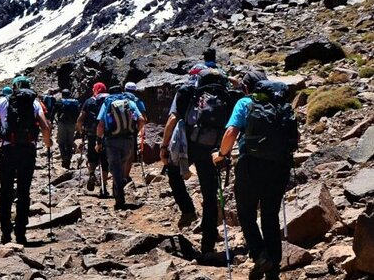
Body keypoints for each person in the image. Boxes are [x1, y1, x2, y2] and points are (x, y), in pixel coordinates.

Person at [213, 70, 297, 280]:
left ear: (246, 88)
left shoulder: (245, 103)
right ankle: (273, 266)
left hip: (250, 165)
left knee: (246, 213)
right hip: (279, 166)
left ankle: (260, 255)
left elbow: (231, 132)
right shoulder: (281, 104)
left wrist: (221, 155)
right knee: (270, 214)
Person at [159, 66, 232, 257]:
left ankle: (188, 209)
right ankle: (208, 244)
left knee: (173, 171)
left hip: (190, 145)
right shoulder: (225, 94)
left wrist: (164, 146)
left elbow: (173, 119)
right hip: (214, 149)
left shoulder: (188, 92)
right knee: (210, 195)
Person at [0, 76, 52, 245]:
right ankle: (21, 233)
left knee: (5, 191)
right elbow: (44, 126)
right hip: (28, 150)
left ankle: (5, 232)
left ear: (14, 87)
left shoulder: (4, 101)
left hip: (8, 150)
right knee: (24, 191)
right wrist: (47, 143)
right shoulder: (35, 103)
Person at [96, 85, 146, 209]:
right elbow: (141, 119)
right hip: (128, 139)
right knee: (121, 166)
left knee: (115, 168)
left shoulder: (107, 103)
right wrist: (134, 131)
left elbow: (101, 124)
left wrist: (98, 142)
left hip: (111, 140)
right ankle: (118, 190)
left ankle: (119, 197)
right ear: (122, 91)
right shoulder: (129, 103)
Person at [76, 82, 110, 196]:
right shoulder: (109, 100)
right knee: (104, 159)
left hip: (91, 133)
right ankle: (104, 186)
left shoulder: (89, 101)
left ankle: (91, 173)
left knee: (91, 156)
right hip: (106, 133)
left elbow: (80, 119)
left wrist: (80, 131)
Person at [122, 82, 147, 183]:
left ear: (124, 89)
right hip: (131, 130)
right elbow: (144, 118)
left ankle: (117, 174)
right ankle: (125, 176)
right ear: (135, 91)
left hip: (115, 130)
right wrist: (137, 129)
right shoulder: (137, 101)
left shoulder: (117, 99)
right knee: (129, 155)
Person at [54, 89, 81, 169]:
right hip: (72, 124)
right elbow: (79, 113)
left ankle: (64, 157)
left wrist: (51, 122)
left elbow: (53, 112)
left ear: (62, 94)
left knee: (61, 142)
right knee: (70, 142)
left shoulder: (60, 102)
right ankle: (68, 159)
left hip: (62, 124)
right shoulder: (75, 102)